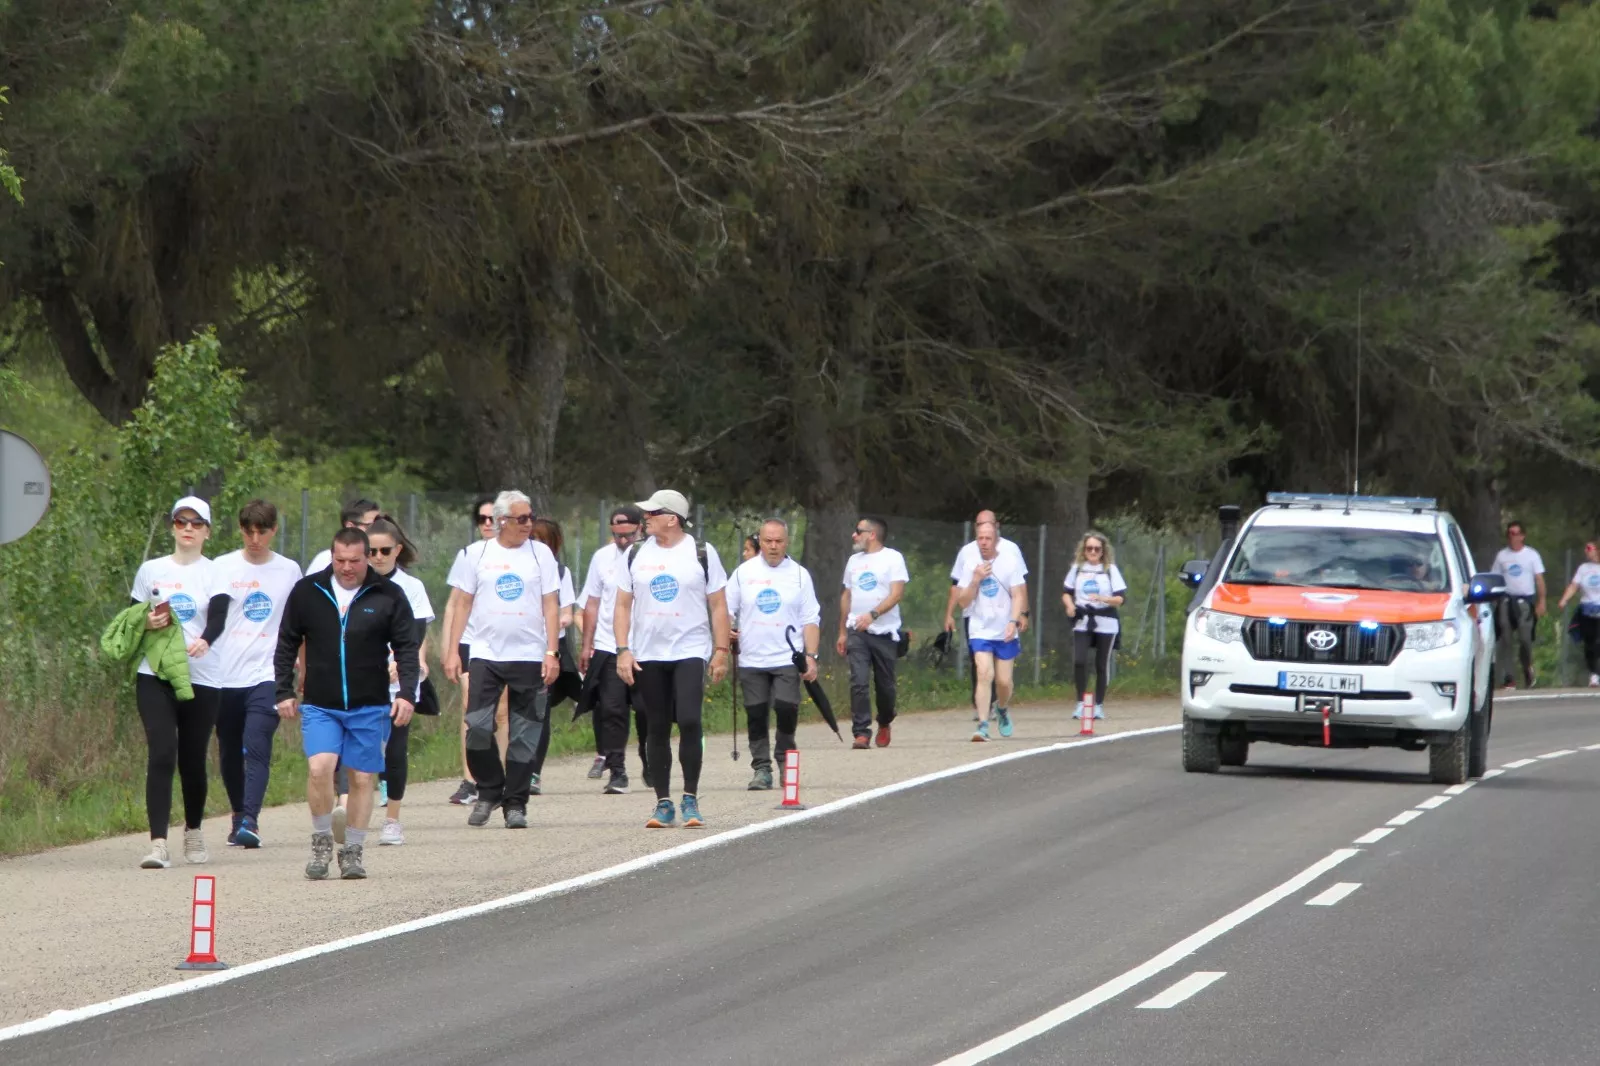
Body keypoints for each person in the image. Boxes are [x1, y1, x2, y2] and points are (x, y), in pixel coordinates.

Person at [275, 527, 419, 880]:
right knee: (320, 768)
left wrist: (406, 694)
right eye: (339, 560)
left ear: (368, 557)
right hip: (321, 703)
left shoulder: (388, 594)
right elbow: (286, 643)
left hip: (369, 704)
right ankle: (322, 841)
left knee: (362, 777)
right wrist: (283, 691)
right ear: (331, 556)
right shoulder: (309, 591)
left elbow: (407, 649)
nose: (346, 568)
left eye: (354, 560)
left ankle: (353, 850)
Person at [442, 490, 561, 829]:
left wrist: (551, 651)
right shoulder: (475, 554)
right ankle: (490, 790)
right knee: (477, 727)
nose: (529, 525)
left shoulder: (541, 555)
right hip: (485, 654)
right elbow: (462, 603)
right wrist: (452, 651)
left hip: (529, 655)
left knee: (524, 734)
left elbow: (550, 604)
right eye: (522, 519)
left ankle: (516, 803)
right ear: (501, 521)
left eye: (530, 517)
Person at [614, 489, 732, 828]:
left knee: (691, 720)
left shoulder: (700, 552)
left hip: (690, 649)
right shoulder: (636, 553)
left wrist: (721, 651)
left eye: (653, 513)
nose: (645, 518)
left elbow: (719, 605)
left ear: (673, 518)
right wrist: (623, 649)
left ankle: (691, 798)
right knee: (657, 725)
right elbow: (622, 606)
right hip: (649, 652)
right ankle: (663, 802)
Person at [130, 496, 230, 869]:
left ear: (207, 531)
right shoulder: (151, 569)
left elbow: (219, 616)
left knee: (192, 757)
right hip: (155, 673)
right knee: (161, 752)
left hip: (202, 676)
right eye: (180, 522)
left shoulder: (215, 571)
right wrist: (146, 623)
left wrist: (206, 640)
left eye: (196, 523)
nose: (187, 529)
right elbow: (132, 617)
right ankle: (158, 843)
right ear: (173, 526)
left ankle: (194, 829)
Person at [212, 499, 303, 850]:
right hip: (224, 674)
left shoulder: (289, 571)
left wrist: (302, 670)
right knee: (230, 751)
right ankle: (237, 815)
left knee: (257, 745)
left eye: (261, 531)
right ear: (240, 530)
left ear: (273, 531)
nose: (254, 538)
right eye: (248, 531)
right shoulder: (221, 567)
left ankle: (251, 819)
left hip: (268, 673)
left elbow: (300, 624)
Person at [726, 519, 821, 789]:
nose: (773, 546)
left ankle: (784, 759)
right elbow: (726, 610)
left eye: (779, 541)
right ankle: (761, 768)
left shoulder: (800, 575)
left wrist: (811, 656)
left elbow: (811, 618)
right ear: (761, 541)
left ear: (786, 542)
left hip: (787, 657)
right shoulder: (744, 573)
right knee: (756, 713)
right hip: (752, 658)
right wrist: (728, 633)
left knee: (786, 707)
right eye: (768, 541)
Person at [363, 515, 432, 846]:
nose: (377, 558)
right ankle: (351, 811)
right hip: (362, 679)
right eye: (371, 551)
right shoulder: (354, 584)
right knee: (360, 748)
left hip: (398, 682)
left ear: (397, 550)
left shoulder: (411, 587)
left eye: (384, 551)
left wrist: (399, 664)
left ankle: (392, 819)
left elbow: (414, 635)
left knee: (395, 749)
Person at [579, 505, 646, 794]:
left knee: (646, 710)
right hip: (610, 645)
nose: (622, 541)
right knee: (611, 708)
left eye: (628, 535)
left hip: (646, 647)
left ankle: (650, 757)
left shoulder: (653, 556)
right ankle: (617, 771)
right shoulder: (601, 558)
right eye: (616, 535)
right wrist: (586, 644)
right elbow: (592, 603)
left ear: (640, 529)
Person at [443, 494, 505, 806]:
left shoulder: (521, 554)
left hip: (506, 643)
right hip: (473, 641)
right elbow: (455, 603)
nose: (488, 525)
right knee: (472, 712)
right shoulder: (469, 554)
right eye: (482, 519)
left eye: (494, 518)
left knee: (502, 713)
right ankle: (470, 779)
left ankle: (503, 775)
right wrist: (449, 648)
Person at [944, 510, 1029, 718]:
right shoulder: (968, 555)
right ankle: (982, 715)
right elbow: (957, 589)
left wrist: (1021, 614)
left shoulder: (1011, 553)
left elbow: (1019, 589)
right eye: (979, 534)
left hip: (1005, 622)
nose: (983, 541)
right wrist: (950, 613)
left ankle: (1001, 705)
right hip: (977, 621)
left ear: (996, 530)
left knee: (1003, 681)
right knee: (982, 670)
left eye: (987, 536)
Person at [837, 515, 910, 749]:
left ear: (872, 534)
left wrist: (873, 615)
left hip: (884, 631)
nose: (854, 535)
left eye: (859, 531)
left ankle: (885, 720)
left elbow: (897, 593)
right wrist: (842, 632)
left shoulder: (893, 558)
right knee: (858, 680)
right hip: (857, 630)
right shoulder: (853, 561)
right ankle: (861, 732)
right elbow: (846, 596)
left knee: (885, 686)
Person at [528, 517, 577, 794]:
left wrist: (562, 619)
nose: (535, 545)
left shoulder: (560, 572)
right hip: (515, 648)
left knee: (539, 713)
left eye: (541, 540)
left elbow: (567, 610)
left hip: (546, 649)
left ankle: (534, 772)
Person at [1063, 531, 1128, 719]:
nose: (1093, 552)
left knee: (1101, 664)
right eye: (1089, 548)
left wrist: (1103, 598)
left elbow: (1120, 599)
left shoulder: (1110, 570)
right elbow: (1066, 592)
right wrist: (1069, 605)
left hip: (1106, 621)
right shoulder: (1077, 569)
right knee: (1080, 660)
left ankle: (1098, 705)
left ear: (1102, 551)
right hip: (1083, 620)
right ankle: (1081, 703)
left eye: (1096, 549)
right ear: (1084, 550)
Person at [1491, 521, 1546, 690]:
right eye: (1510, 534)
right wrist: (1493, 601)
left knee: (1525, 639)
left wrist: (1541, 601)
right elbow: (1495, 579)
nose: (1513, 537)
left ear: (1523, 536)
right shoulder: (1502, 556)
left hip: (1525, 602)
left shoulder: (1531, 555)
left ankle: (1527, 667)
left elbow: (1539, 579)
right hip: (1506, 601)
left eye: (1516, 533)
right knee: (1506, 639)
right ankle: (1509, 677)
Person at [1557, 540, 1600, 687]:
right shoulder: (1583, 568)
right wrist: (1564, 600)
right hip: (1587, 609)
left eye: (1589, 548)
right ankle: (1594, 674)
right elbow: (1574, 586)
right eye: (1585, 549)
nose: (1586, 551)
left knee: (1598, 642)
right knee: (1590, 643)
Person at [305, 498, 380, 575]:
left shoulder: (386, 558)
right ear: (350, 526)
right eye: (372, 525)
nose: (379, 530)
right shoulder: (323, 561)